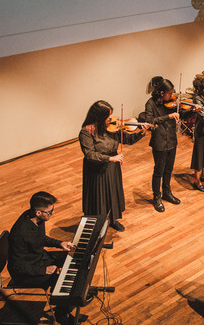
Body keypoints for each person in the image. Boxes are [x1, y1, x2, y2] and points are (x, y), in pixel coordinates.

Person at [79, 100, 149, 231]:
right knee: (99, 195)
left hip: (112, 166)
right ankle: (97, 224)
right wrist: (111, 158)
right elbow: (90, 154)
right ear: (99, 117)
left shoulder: (113, 128)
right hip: (97, 169)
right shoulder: (86, 132)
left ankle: (112, 219)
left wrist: (141, 132)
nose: (111, 118)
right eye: (108, 115)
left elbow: (128, 140)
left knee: (112, 192)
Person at [8, 192, 76, 324]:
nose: (52, 214)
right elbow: (17, 267)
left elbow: (40, 238)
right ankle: (62, 314)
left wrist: (60, 243)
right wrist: (43, 270)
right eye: (49, 212)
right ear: (38, 212)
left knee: (73, 257)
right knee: (59, 280)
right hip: (26, 272)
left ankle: (72, 295)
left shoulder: (36, 219)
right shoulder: (21, 233)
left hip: (38, 259)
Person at [140, 77, 184, 212]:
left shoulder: (171, 103)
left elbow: (180, 113)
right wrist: (167, 117)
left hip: (172, 140)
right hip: (159, 142)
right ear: (161, 93)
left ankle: (167, 192)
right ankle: (157, 197)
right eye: (169, 93)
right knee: (158, 171)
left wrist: (190, 110)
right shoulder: (150, 104)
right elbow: (150, 121)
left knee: (169, 170)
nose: (172, 96)